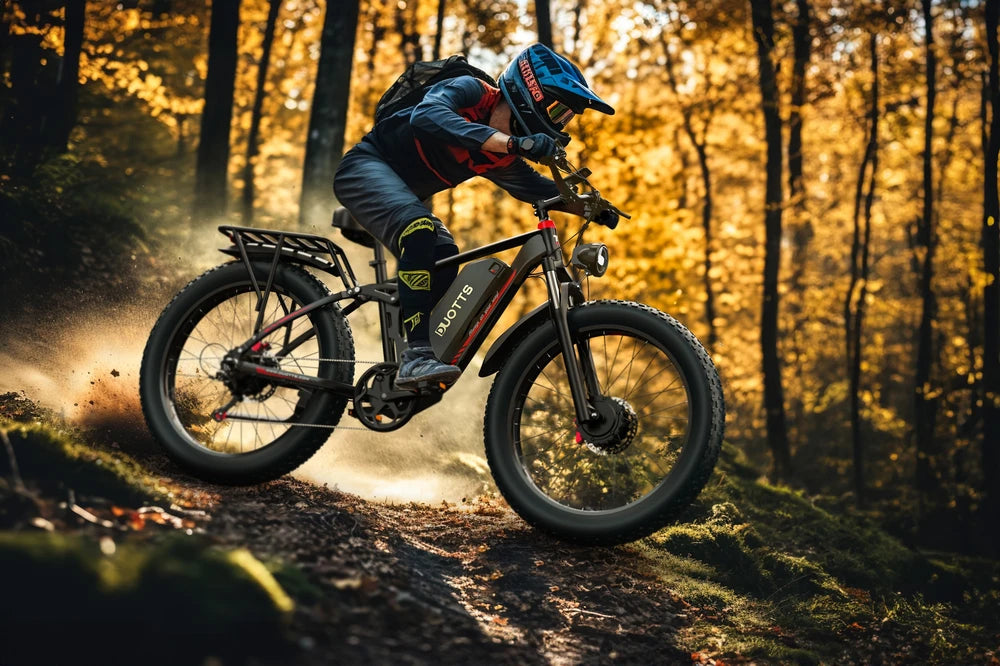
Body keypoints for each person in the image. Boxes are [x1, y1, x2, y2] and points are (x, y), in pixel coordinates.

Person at [333, 43, 617, 389]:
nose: (560, 122)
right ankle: (416, 357)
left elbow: (533, 188)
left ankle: (399, 344)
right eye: (558, 111)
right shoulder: (472, 91)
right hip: (362, 168)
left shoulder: (501, 155)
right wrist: (513, 145)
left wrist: (589, 206)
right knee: (420, 230)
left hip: (401, 195)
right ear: (531, 94)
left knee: (444, 256)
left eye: (566, 117)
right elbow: (427, 115)